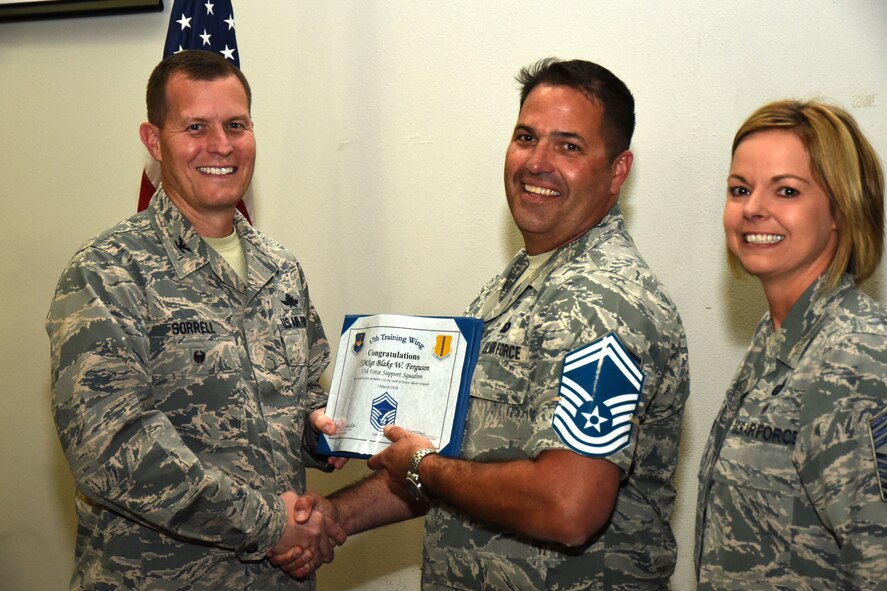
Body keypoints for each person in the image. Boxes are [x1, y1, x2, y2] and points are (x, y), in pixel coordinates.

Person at [294, 58, 690, 589]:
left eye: (569, 146)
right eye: (526, 137)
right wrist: (336, 516)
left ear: (617, 170)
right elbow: (460, 464)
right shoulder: (508, 290)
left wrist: (423, 468)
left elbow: (568, 507)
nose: (538, 162)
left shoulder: (603, 302)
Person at [46, 50, 346, 590]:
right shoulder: (106, 272)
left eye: (236, 125)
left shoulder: (281, 268)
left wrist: (323, 428)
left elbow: (297, 396)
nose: (221, 146)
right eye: (195, 127)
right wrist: (270, 523)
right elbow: (111, 447)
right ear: (154, 140)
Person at [695, 100, 887, 589]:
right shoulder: (777, 338)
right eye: (740, 189)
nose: (753, 207)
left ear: (842, 209)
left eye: (786, 190)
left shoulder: (856, 357)